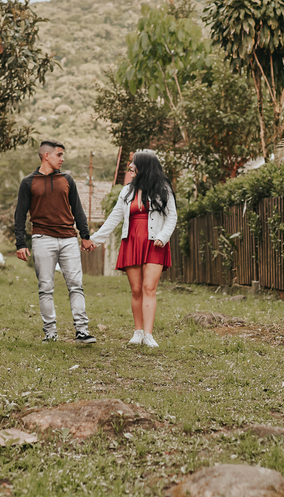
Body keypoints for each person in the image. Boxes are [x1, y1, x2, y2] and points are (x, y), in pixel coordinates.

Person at [13, 141, 98, 344]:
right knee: (46, 287)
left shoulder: (67, 180)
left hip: (68, 239)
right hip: (42, 239)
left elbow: (78, 209)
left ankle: (82, 331)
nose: (62, 159)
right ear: (46, 156)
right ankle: (50, 333)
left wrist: (85, 236)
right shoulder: (28, 182)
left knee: (76, 285)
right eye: (59, 155)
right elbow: (20, 215)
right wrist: (20, 243)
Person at [93, 150, 177, 348]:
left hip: (155, 243)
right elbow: (114, 218)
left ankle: (148, 335)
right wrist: (94, 240)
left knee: (149, 288)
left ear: (144, 166)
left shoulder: (163, 188)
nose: (130, 166)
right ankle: (137, 332)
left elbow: (171, 216)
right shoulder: (126, 191)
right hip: (132, 242)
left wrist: (163, 237)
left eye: (133, 163)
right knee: (137, 289)